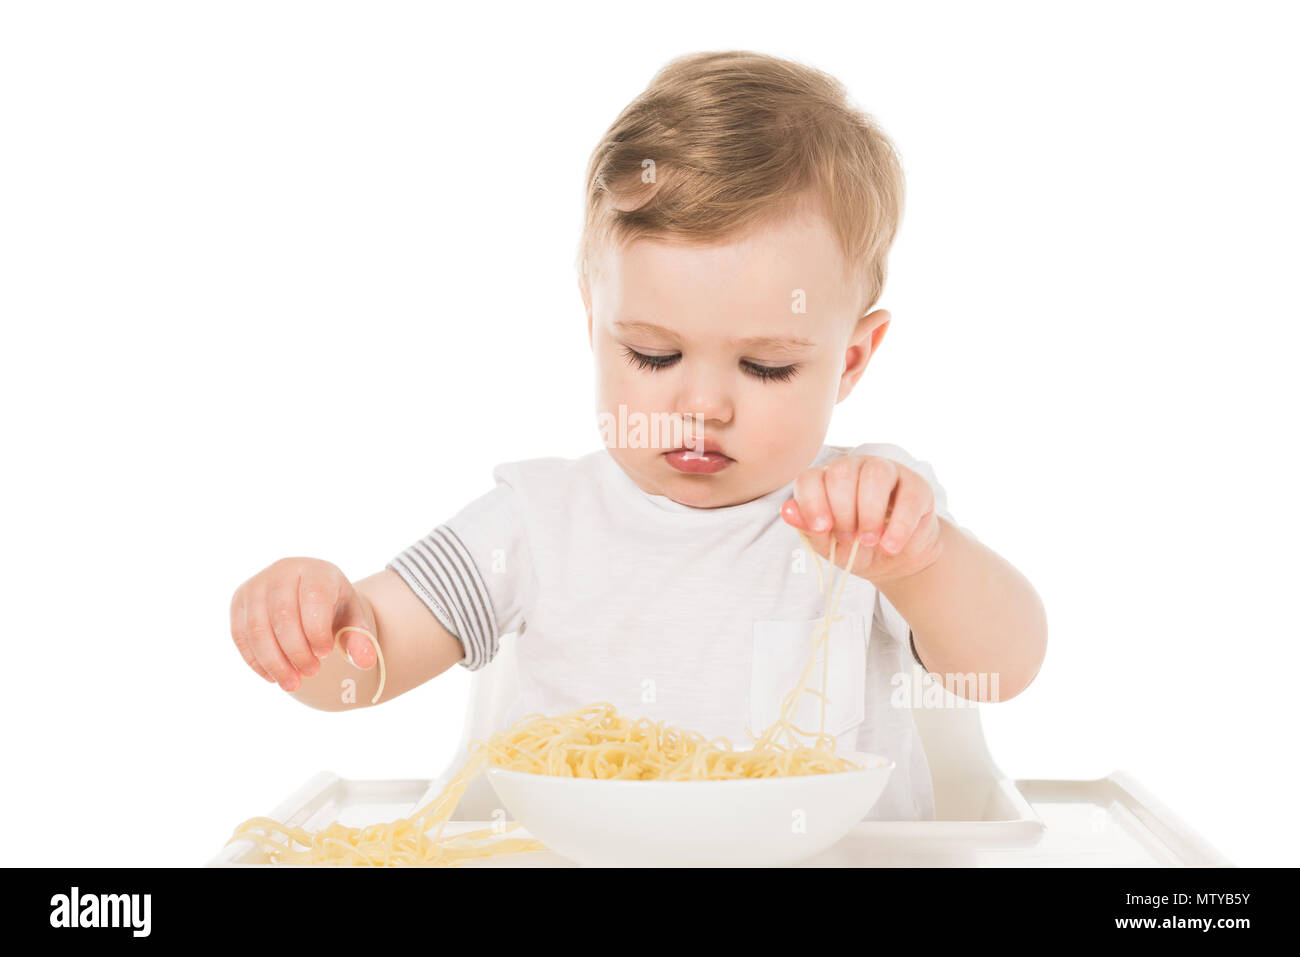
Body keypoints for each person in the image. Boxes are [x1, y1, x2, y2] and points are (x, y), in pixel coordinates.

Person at [228, 50, 1047, 821]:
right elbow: (369, 658)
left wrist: (923, 562)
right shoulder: (537, 518)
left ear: (852, 358)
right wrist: (312, 624)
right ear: (595, 323)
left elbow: (1007, 666)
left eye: (765, 366)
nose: (701, 404)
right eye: (653, 353)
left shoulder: (873, 509)